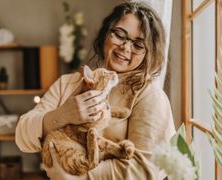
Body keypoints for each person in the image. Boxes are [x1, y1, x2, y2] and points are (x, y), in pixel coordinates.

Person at [15, 1, 176, 179]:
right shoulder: (68, 83)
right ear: (106, 33)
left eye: (138, 45)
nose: (125, 47)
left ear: (149, 54)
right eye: (120, 35)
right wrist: (63, 115)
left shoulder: (149, 96)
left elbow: (146, 169)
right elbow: (22, 137)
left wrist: (79, 178)